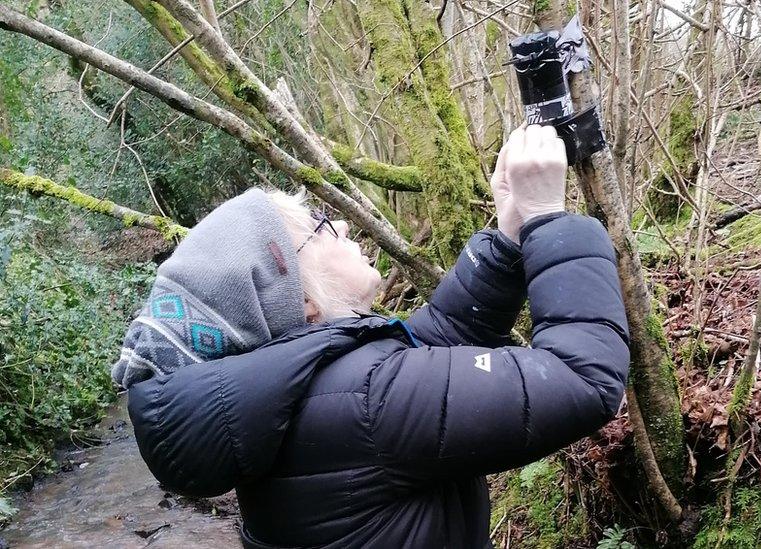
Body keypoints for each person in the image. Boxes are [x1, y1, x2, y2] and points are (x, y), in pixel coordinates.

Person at [114, 124, 630, 548]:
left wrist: (510, 236)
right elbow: (583, 377)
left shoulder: (290, 402)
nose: (338, 224)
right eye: (317, 225)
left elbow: (437, 338)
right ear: (304, 303)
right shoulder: (366, 400)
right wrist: (549, 220)